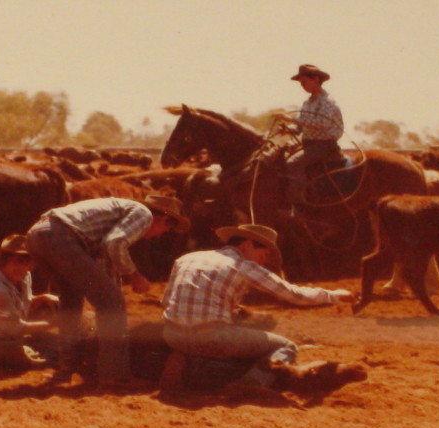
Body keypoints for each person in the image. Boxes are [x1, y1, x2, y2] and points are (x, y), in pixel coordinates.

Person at [160, 223, 356, 390]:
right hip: (210, 336)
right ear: (247, 244)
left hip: (173, 335)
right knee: (284, 346)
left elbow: (166, 301)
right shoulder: (244, 266)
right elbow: (293, 294)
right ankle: (251, 385)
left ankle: (184, 362)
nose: (262, 262)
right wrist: (333, 296)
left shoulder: (186, 259)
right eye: (262, 256)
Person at [25, 195, 190, 387]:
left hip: (37, 236)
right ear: (164, 219)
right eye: (167, 228)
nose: (161, 235)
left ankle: (66, 368)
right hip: (61, 237)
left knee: (71, 300)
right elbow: (115, 243)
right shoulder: (144, 214)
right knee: (112, 303)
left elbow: (106, 262)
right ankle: (113, 374)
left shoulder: (117, 214)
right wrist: (135, 275)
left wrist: (116, 288)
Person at [0, 234, 59, 368]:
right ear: (3, 262)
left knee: (56, 343)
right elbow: (16, 329)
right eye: (17, 261)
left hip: (13, 338)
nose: (23, 267)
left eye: (26, 262)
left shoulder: (24, 276)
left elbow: (21, 306)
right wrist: (53, 323)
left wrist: (43, 298)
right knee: (23, 354)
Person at [274, 64, 344, 207]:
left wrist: (290, 118)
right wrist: (288, 129)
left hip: (325, 145)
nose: (302, 86)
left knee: (294, 163)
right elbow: (301, 126)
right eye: (301, 83)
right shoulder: (307, 102)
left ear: (316, 79)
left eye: (304, 82)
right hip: (309, 144)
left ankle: (297, 205)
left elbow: (322, 123)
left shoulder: (327, 101)